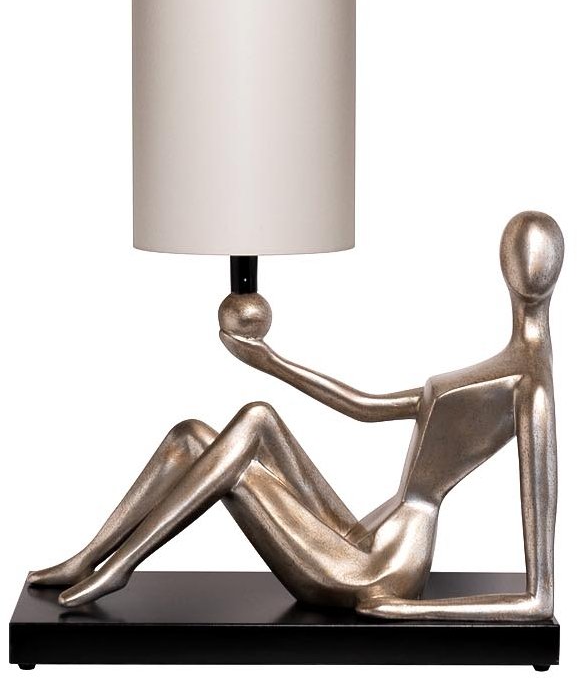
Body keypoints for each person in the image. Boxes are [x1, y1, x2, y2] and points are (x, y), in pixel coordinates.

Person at [28, 211, 562, 620]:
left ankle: (122, 566)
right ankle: (88, 558)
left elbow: (538, 600)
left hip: (379, 572)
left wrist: (404, 611)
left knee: (244, 438)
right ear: (504, 267)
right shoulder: (496, 367)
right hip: (363, 536)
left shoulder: (532, 388)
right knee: (194, 435)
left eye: (535, 258)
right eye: (521, 255)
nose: (527, 268)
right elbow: (364, 406)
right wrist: (270, 360)